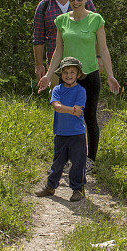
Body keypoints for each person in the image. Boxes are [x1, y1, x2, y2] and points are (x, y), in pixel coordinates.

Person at [38, 0, 120, 170]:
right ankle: (67, 158)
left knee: (89, 117)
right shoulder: (62, 20)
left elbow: (104, 49)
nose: (75, 2)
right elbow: (58, 50)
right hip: (68, 77)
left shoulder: (95, 20)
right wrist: (49, 75)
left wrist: (110, 75)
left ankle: (90, 159)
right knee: (67, 116)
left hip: (90, 74)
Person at [32, 0, 95, 82]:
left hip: (83, 65)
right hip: (55, 67)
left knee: (83, 100)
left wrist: (98, 57)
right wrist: (39, 65)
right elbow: (38, 39)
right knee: (58, 99)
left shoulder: (84, 1)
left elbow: (96, 31)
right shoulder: (44, 6)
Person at [36, 57, 88, 201]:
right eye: (65, 72)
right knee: (57, 163)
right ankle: (50, 187)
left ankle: (78, 189)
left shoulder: (81, 91)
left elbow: (78, 110)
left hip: (77, 134)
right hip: (61, 133)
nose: (68, 75)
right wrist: (71, 109)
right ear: (61, 74)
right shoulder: (57, 89)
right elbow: (56, 106)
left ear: (78, 75)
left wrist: (67, 109)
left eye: (72, 72)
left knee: (78, 163)